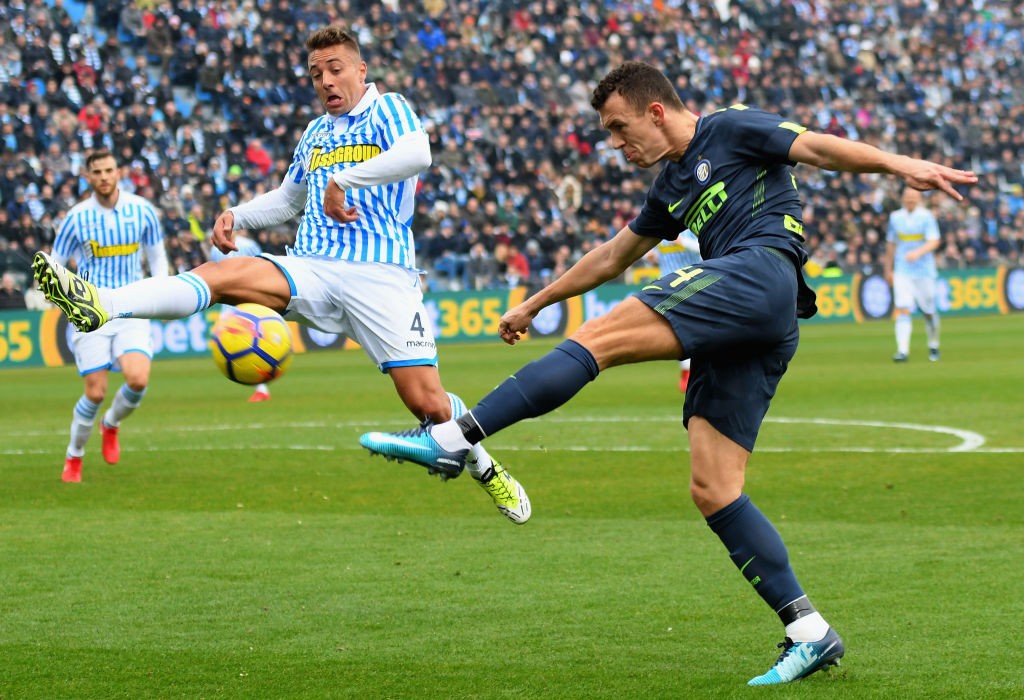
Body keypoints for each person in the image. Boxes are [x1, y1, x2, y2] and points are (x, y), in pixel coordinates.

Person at [356, 61, 977, 684]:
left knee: (598, 337)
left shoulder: (731, 128)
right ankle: (809, 630)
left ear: (656, 112)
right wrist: (536, 301)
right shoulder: (670, 186)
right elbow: (611, 255)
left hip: (761, 273)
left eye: (620, 129)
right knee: (714, 488)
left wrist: (901, 163)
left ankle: (452, 438)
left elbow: (815, 146)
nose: (616, 145)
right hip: (756, 320)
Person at [32, 26, 530, 524]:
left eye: (335, 69)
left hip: (380, 276)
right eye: (316, 74)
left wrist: (343, 178)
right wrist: (238, 215)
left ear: (361, 70)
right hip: (311, 267)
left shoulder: (388, 108)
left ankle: (489, 473)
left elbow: (418, 154)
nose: (326, 81)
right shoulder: (316, 132)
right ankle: (102, 303)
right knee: (222, 274)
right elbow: (291, 199)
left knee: (432, 407)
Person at [47, 149, 168, 483]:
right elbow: (56, 264)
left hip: (132, 306)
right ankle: (74, 456)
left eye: (109, 170)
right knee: (96, 392)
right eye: (97, 171)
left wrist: (160, 296)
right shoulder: (76, 218)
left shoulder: (142, 211)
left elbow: (158, 260)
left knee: (138, 380)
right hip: (92, 311)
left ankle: (111, 424)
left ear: (120, 172)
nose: (103, 176)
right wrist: (61, 294)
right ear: (88, 177)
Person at [207, 233, 273, 402]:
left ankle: (259, 383)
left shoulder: (246, 245)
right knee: (233, 343)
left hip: (242, 300)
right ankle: (257, 382)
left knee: (244, 343)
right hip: (233, 302)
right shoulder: (220, 247)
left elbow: (262, 266)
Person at [884, 187, 942, 362]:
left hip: (925, 271)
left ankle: (933, 344)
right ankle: (902, 350)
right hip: (903, 270)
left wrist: (918, 252)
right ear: (903, 198)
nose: (910, 200)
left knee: (929, 310)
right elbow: (891, 244)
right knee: (902, 307)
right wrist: (888, 269)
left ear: (918, 199)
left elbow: (934, 242)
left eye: (913, 197)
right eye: (907, 197)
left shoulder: (926, 216)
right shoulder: (895, 217)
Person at [654, 230, 701, 391]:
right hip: (665, 287)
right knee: (677, 331)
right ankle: (687, 371)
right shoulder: (660, 229)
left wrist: (682, 242)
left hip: (692, 285)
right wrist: (650, 257)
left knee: (691, 330)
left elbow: (704, 248)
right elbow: (652, 253)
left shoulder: (692, 228)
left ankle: (690, 371)